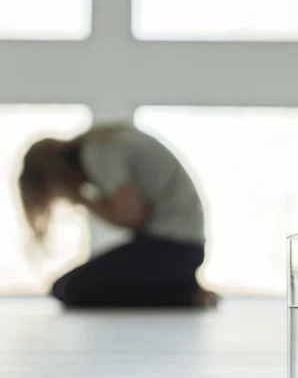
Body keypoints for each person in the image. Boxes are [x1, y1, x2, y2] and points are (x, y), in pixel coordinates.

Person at [18, 123, 217, 308]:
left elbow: (131, 215)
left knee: (68, 289)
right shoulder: (104, 142)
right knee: (66, 287)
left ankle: (182, 292)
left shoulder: (97, 152)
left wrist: (79, 197)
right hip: (181, 247)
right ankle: (177, 287)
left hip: (172, 247)